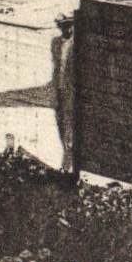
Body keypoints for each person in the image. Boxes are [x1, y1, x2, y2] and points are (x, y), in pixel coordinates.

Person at [51, 13, 77, 173]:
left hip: (71, 91)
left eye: (68, 26)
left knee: (70, 127)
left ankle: (68, 162)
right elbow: (55, 65)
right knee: (61, 122)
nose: (66, 29)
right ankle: (66, 154)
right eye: (63, 26)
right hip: (59, 89)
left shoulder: (77, 44)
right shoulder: (55, 43)